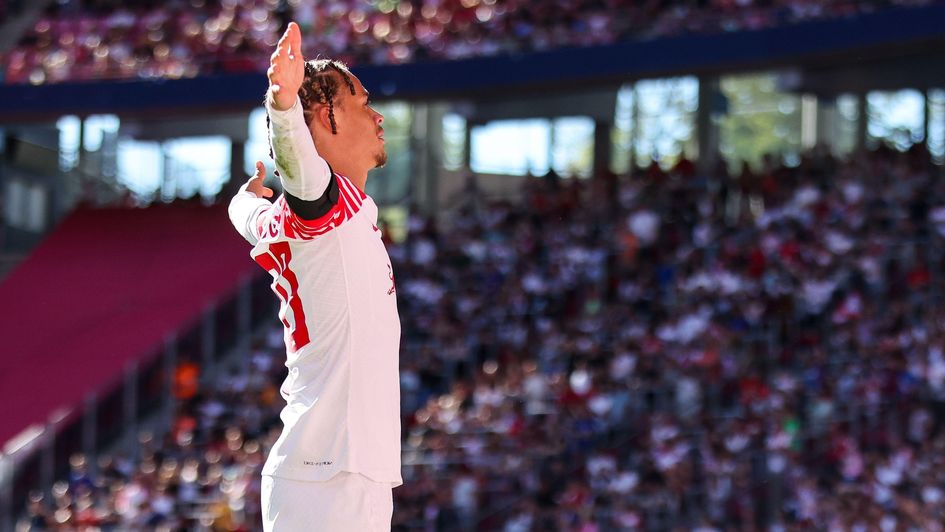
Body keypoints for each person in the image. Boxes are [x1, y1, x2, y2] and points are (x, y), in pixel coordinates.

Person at [227, 21, 401, 531]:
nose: (378, 114)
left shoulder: (315, 216)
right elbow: (304, 178)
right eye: (362, 101)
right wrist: (283, 107)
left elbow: (251, 216)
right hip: (330, 476)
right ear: (326, 116)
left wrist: (243, 200)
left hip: (338, 473)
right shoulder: (331, 205)